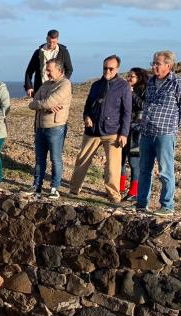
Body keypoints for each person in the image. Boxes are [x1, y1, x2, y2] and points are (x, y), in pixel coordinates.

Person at [68, 55, 132, 204]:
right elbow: (88, 105)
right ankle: (73, 190)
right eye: (105, 68)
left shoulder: (124, 87)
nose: (107, 71)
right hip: (92, 131)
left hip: (113, 132)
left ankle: (114, 195)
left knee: (113, 166)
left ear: (117, 69)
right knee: (82, 161)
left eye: (111, 68)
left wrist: (124, 133)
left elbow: (127, 112)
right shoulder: (96, 85)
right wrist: (86, 116)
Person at [136, 50, 181, 216]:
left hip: (165, 134)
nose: (153, 66)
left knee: (165, 171)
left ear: (168, 65)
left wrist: (173, 128)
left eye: (157, 63)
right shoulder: (151, 82)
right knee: (144, 169)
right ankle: (141, 203)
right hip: (147, 132)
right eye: (153, 63)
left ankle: (167, 205)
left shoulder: (177, 83)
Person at [27, 58, 72, 198]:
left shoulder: (65, 84)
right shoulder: (46, 84)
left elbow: (47, 102)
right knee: (39, 159)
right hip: (40, 127)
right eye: (46, 70)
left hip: (55, 127)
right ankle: (37, 186)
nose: (47, 73)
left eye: (49, 70)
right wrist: (46, 107)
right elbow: (32, 104)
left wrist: (43, 105)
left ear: (59, 70)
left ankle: (54, 188)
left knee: (55, 159)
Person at [121, 67, 149, 203]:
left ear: (139, 78)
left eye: (131, 76)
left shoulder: (145, 91)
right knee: (119, 160)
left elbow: (144, 106)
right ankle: (119, 188)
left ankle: (133, 192)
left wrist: (132, 94)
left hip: (136, 130)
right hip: (123, 128)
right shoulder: (125, 89)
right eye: (128, 76)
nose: (128, 79)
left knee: (133, 161)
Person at [24, 29, 73, 98]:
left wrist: (62, 82)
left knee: (56, 108)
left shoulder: (64, 52)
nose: (51, 44)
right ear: (46, 39)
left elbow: (69, 69)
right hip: (40, 88)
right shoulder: (38, 52)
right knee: (40, 107)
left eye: (54, 42)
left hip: (57, 88)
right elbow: (29, 71)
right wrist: (29, 87)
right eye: (50, 42)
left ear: (57, 40)